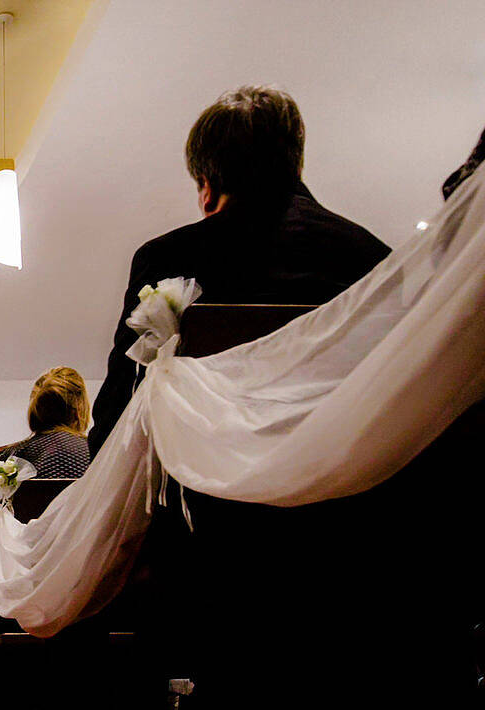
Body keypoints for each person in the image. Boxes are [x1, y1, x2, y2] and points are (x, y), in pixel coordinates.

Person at [88, 85, 390, 454]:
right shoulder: (373, 258)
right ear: (296, 165)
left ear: (207, 189)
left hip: (199, 482)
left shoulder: (166, 257)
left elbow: (118, 409)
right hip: (351, 471)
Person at [0, 367, 93, 633]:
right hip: (92, 599)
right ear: (80, 409)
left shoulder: (1, 463)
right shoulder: (98, 454)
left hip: (12, 613)